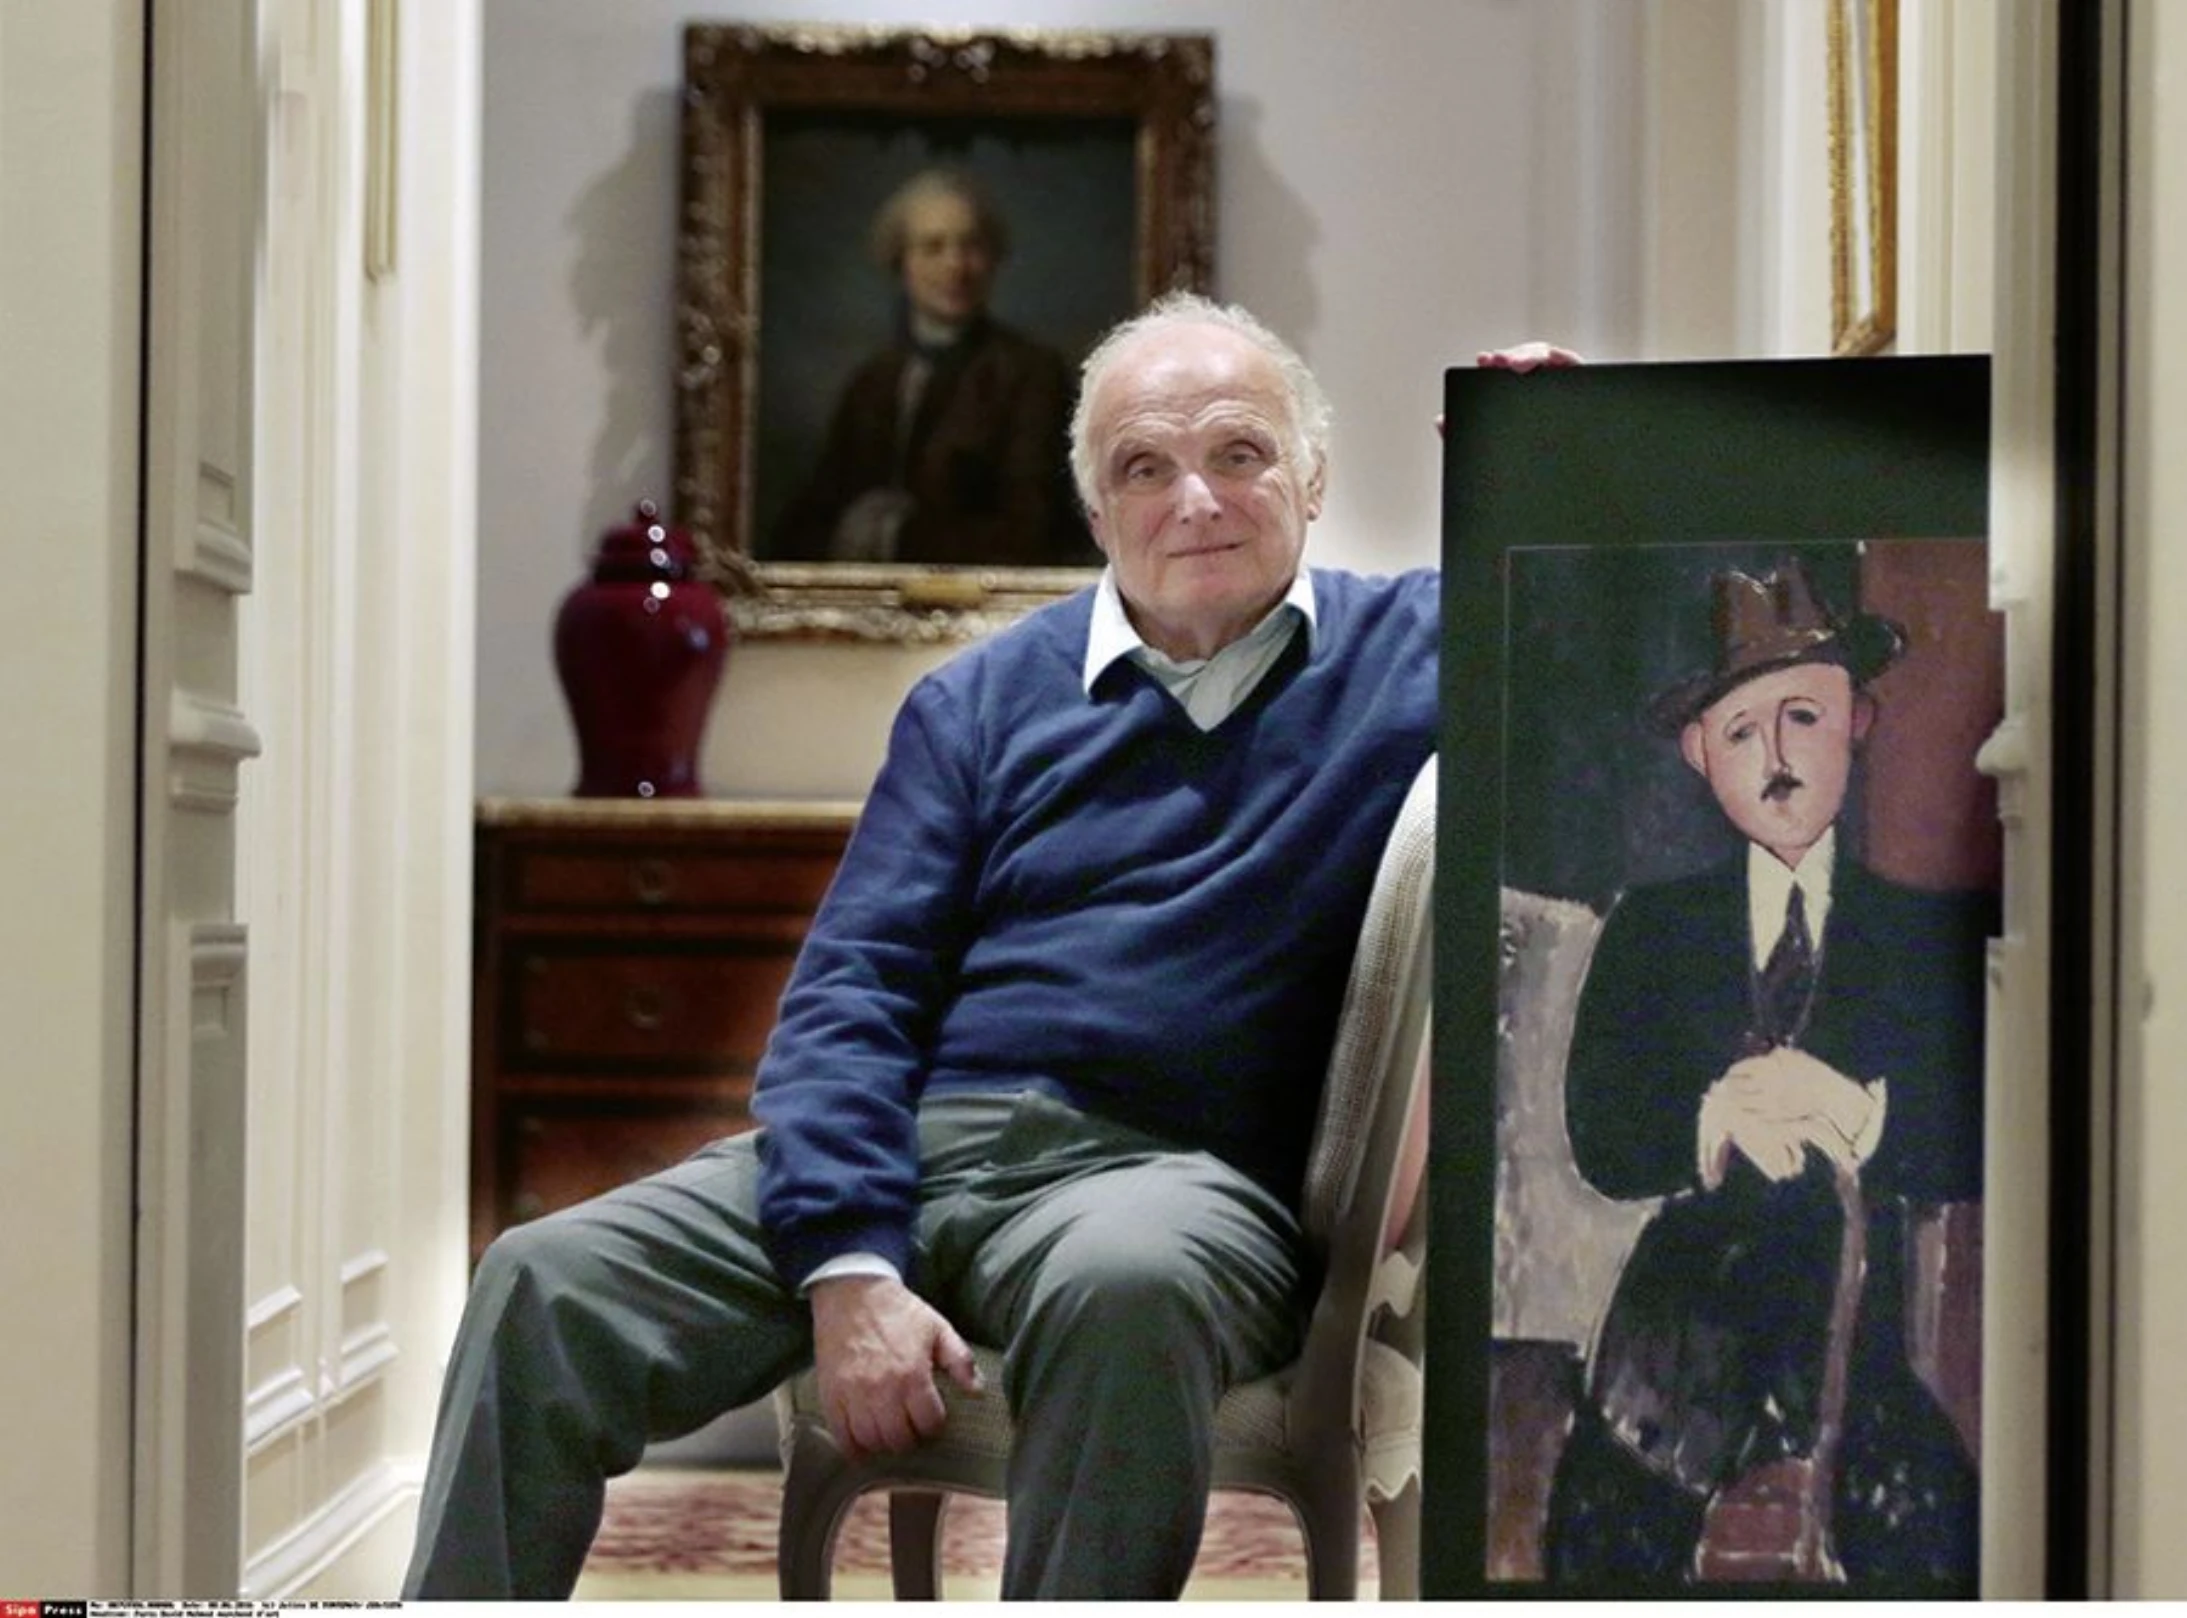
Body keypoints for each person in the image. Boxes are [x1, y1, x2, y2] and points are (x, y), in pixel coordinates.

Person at [403, 291, 1440, 1600]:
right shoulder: (977, 702)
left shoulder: (1415, 650)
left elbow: (1607, 616)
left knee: (1129, 1282)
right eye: (1145, 467)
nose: (1197, 498)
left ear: (1312, 475)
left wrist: (1538, 444)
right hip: (924, 1141)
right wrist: (848, 1264)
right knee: (539, 1280)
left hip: (1168, 1179)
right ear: (1096, 510)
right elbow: (849, 999)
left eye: (1239, 453)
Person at [1540, 556, 1988, 1591]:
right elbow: (1599, 1132)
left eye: (1804, 718)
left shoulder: (1920, 935)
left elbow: (1981, 1133)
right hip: (1680, 1336)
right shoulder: (1653, 929)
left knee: (1931, 1526)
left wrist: (1863, 1115)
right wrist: (1710, 1115)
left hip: (1851, 1332)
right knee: (1599, 1534)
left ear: (1858, 724)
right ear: (1701, 755)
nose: (1776, 757)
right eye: (1741, 731)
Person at [766, 167, 1087, 568]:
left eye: (971, 246)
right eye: (933, 247)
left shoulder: (1031, 374)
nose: (955, 265)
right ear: (901, 263)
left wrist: (899, 536)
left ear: (992, 260)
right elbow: (808, 523)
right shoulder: (873, 381)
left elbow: (1033, 532)